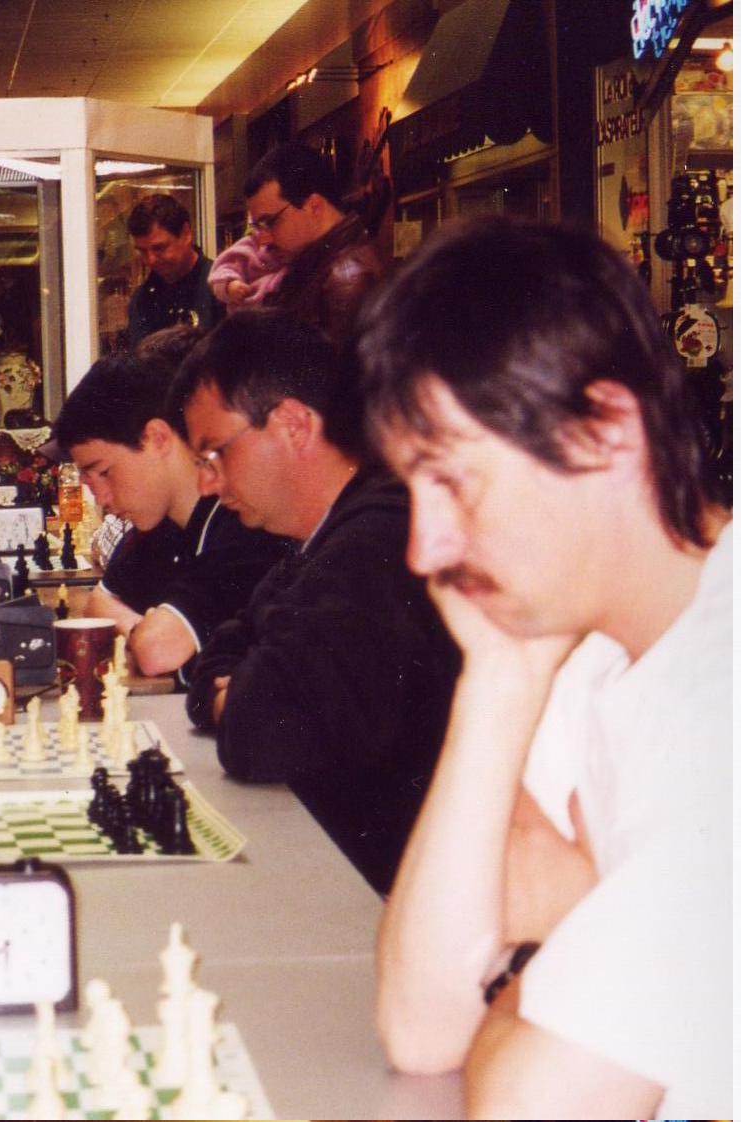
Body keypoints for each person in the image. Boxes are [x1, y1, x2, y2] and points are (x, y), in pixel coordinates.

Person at [358, 218, 731, 1118]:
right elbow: (423, 1027)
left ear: (605, 429)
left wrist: (541, 949)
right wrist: (499, 680)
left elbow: (531, 1102)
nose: (423, 549)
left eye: (453, 481)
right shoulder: (585, 650)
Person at [169, 308, 461, 893]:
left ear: (294, 425)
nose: (207, 483)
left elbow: (260, 732)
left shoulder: (377, 542)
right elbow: (216, 662)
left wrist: (241, 696)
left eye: (215, 453)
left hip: (383, 900)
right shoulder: (328, 534)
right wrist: (235, 689)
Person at [52, 348, 289, 679]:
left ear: (157, 437)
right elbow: (97, 605)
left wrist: (141, 635)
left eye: (104, 473)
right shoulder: (161, 528)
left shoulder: (244, 525)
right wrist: (142, 630)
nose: (101, 498)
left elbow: (156, 652)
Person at [244, 143, 383, 346]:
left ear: (314, 206)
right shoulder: (314, 266)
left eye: (270, 222)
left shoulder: (346, 280)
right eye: (258, 227)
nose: (263, 240)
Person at [124, 193, 223, 349]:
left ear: (186, 234)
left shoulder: (220, 287)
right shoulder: (140, 301)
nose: (150, 260)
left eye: (159, 248)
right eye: (142, 251)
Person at [207, 230, 286, 312]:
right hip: (245, 312)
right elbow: (220, 274)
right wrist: (230, 285)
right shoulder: (251, 245)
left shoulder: (290, 257)